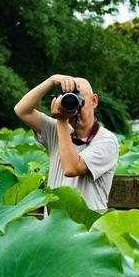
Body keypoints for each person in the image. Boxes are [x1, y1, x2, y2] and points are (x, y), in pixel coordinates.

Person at [14, 74, 118, 211]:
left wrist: (62, 120)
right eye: (70, 100)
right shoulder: (57, 130)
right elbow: (22, 110)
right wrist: (51, 80)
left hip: (88, 227)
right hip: (54, 226)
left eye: (80, 100)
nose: (76, 107)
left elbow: (71, 168)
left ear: (94, 101)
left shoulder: (106, 140)